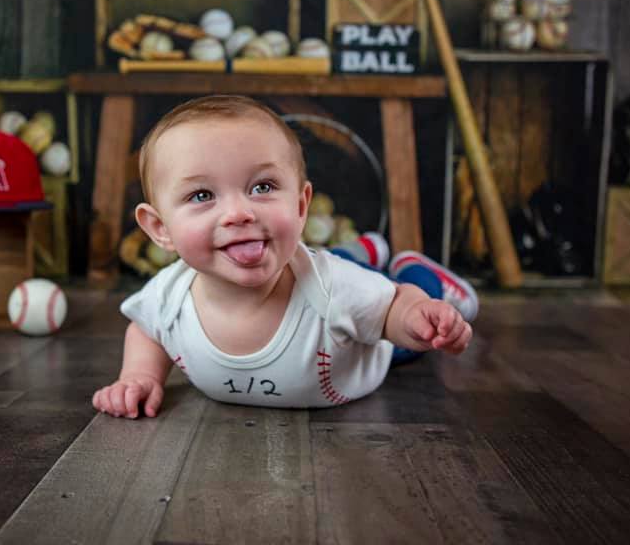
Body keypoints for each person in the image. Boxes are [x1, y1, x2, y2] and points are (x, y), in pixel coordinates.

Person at [92, 95, 474, 419]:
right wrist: (140, 376)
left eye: (262, 187)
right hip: (331, 276)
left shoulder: (333, 288)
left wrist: (415, 314)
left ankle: (416, 268)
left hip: (358, 329)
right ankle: (365, 249)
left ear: (301, 205)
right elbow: (146, 329)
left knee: (411, 333)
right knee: (337, 266)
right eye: (202, 195)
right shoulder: (169, 295)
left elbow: (391, 306)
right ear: (160, 228)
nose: (238, 213)